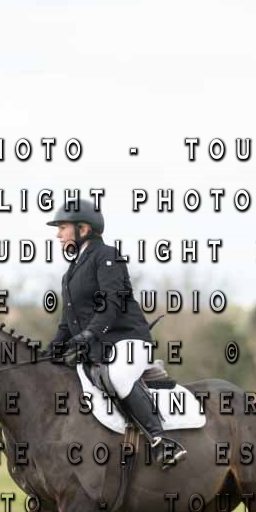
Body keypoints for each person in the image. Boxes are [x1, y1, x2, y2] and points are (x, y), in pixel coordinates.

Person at [45, 199, 187, 469]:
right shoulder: (70, 273)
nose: (58, 235)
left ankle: (161, 441)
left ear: (83, 229)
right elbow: (67, 322)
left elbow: (112, 303)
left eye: (62, 228)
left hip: (128, 340)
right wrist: (51, 349)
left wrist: (89, 334)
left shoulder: (107, 256)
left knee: (119, 377)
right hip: (98, 348)